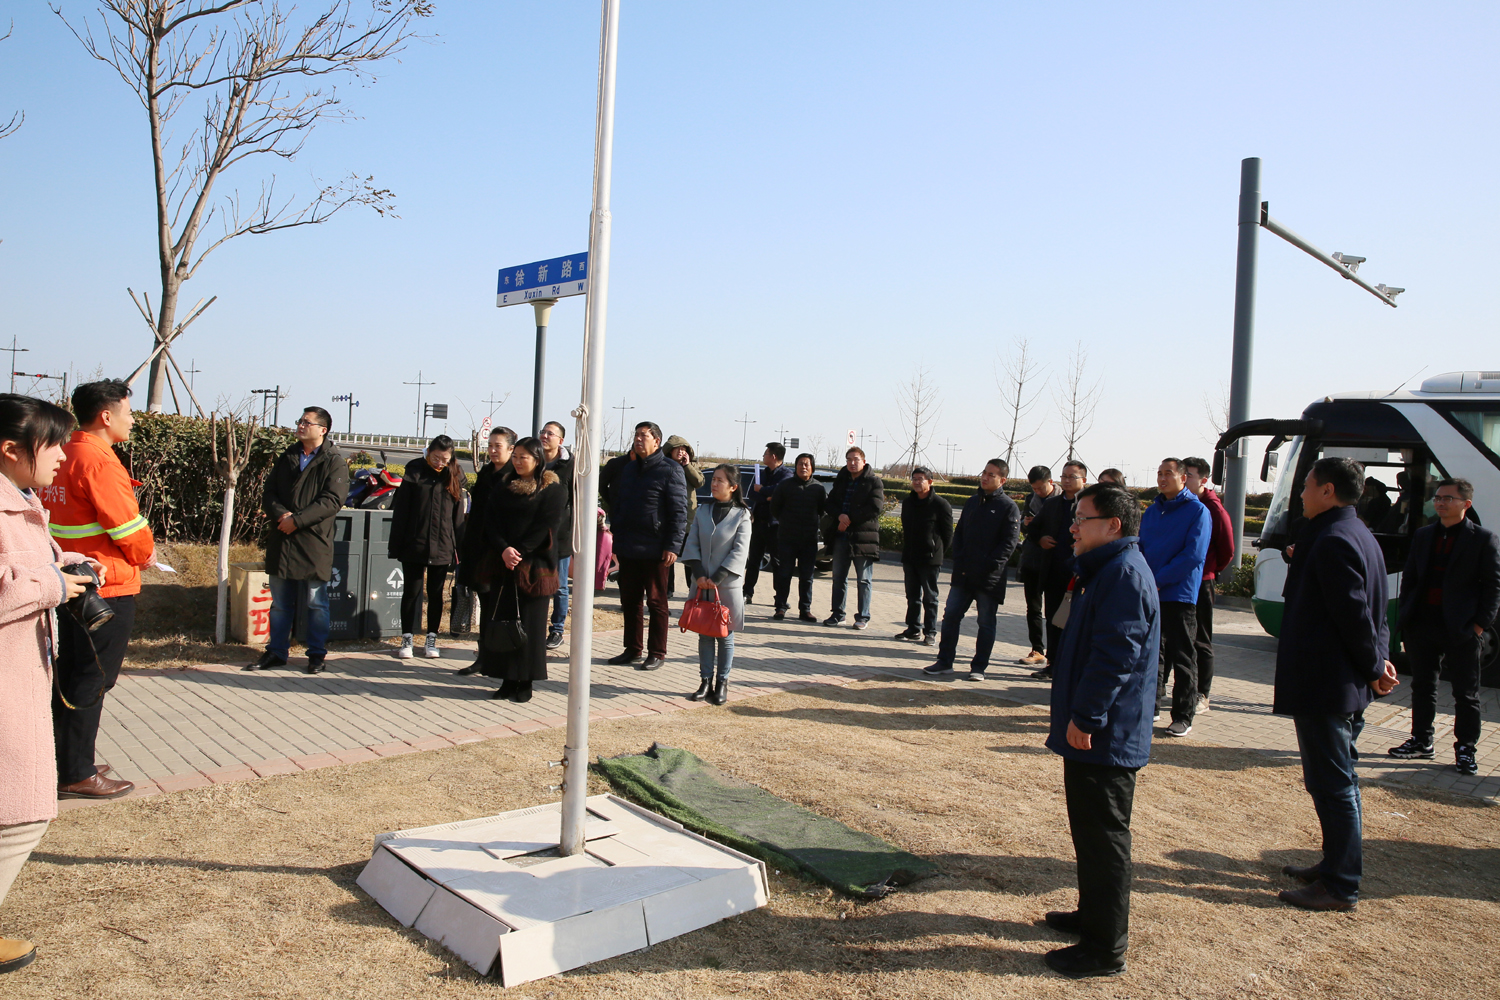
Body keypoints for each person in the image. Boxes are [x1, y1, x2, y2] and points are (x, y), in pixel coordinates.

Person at [1041, 483, 1159, 980]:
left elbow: (1115, 657)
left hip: (1107, 734)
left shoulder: (1124, 575)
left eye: (1081, 519)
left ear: (1113, 525)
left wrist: (1087, 718)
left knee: (1104, 838)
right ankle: (1091, 916)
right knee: (1089, 834)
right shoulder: (1104, 570)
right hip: (1097, 728)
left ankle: (1104, 948)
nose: (1072, 527)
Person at [1273, 457, 1398, 912]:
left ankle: (1341, 883)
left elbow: (1356, 616)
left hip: (1327, 683)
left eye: (1307, 485)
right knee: (1337, 778)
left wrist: (1374, 666)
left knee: (1333, 783)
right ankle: (1333, 863)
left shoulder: (1333, 539)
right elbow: (1375, 614)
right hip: (1341, 681)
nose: (1301, 493)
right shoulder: (1356, 532)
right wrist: (1379, 662)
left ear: (1328, 491)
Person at [0, 394, 97, 974]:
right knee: (21, 813)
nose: (62, 455)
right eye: (53, 443)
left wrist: (64, 565)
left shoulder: (21, 498)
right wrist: (53, 585)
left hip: (21, 675)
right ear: (11, 449)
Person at [41, 379, 154, 800]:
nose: (132, 420)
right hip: (106, 585)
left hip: (70, 580)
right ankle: (76, 772)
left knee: (72, 673)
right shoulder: (100, 461)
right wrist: (146, 555)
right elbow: (128, 530)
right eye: (128, 412)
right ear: (106, 416)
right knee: (93, 679)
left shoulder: (64, 450)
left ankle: (65, 757)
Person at [1389, 478, 1500, 776]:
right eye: (1437, 497)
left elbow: (1493, 586)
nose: (1440, 503)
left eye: (1448, 498)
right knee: (1423, 687)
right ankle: (1421, 741)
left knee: (1466, 694)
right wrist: (1407, 616)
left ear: (1466, 504)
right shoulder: (1424, 535)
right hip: (1422, 625)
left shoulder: (1483, 539)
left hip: (1461, 629)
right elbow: (1410, 578)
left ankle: (1466, 749)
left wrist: (1479, 626)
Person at [248, 406, 350, 675]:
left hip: (313, 540)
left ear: (322, 430)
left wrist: (298, 520)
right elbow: (269, 491)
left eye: (307, 422)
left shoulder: (333, 461)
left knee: (316, 603)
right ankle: (276, 652)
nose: (301, 426)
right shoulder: (289, 455)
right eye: (300, 421)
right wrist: (282, 515)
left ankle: (316, 655)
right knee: (280, 604)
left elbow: (332, 500)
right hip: (283, 537)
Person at [479, 437, 566, 703]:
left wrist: (518, 551)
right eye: (515, 456)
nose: (517, 461)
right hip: (503, 564)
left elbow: (546, 527)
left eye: (523, 457)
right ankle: (506, 679)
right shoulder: (504, 484)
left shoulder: (552, 489)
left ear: (537, 460)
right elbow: (489, 520)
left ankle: (525, 680)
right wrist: (504, 549)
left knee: (530, 625)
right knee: (504, 622)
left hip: (535, 567)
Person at [923, 460, 1019, 679]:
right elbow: (960, 534)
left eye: (991, 475)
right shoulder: (973, 502)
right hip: (964, 573)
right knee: (950, 616)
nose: (985, 477)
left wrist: (988, 565)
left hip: (989, 577)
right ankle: (944, 661)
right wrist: (959, 558)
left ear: (1002, 480)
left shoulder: (1008, 506)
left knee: (985, 622)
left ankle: (978, 667)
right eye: (984, 472)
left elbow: (1009, 543)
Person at [606, 421, 688, 670]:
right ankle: (632, 649)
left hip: (656, 548)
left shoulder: (671, 470)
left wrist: (673, 546)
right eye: (636, 435)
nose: (638, 439)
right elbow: (620, 504)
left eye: (644, 435)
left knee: (656, 601)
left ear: (657, 441)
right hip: (628, 546)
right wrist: (616, 536)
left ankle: (657, 652)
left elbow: (679, 512)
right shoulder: (630, 469)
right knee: (630, 601)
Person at [1138, 458, 1210, 737]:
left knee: (1182, 655)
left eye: (1168, 473)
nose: (1162, 478)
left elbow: (1193, 555)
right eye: (1159, 473)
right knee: (1151, 654)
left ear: (1183, 477)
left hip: (1178, 594)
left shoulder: (1197, 511)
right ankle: (1150, 707)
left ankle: (1183, 715)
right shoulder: (1152, 511)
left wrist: (1160, 580)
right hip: (1150, 591)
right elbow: (1141, 547)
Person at [388, 435, 466, 660]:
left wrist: (459, 548)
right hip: (415, 543)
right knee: (411, 592)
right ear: (428, 452)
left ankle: (431, 638)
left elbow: (458, 517)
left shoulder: (455, 475)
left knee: (435, 593)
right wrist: (396, 545)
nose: (439, 463)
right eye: (436, 458)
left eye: (444, 459)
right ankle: (407, 639)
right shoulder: (414, 471)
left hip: (442, 544)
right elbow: (401, 512)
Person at [681, 464, 753, 705]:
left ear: (733, 487)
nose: (714, 483)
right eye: (713, 479)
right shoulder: (703, 510)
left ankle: (722, 682)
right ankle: (705, 681)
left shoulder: (742, 515)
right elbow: (692, 544)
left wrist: (718, 577)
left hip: (726, 584)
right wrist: (700, 574)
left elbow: (740, 551)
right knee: (704, 633)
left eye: (720, 480)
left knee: (725, 635)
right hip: (701, 583)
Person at [454, 426, 515, 676]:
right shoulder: (486, 472)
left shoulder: (515, 477)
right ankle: (484, 657)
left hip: (501, 552)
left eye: (497, 446)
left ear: (511, 449)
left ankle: (501, 660)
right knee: (485, 603)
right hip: (479, 550)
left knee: (500, 608)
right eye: (490, 445)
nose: (492, 450)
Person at [1182, 457, 1235, 712]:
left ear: (1204, 480)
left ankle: (1203, 693)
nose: (1184, 480)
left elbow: (1227, 550)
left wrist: (1210, 569)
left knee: (1200, 639)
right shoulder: (1180, 504)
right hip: (1180, 581)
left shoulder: (1214, 509)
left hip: (1202, 581)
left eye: (1189, 476)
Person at [1033, 461, 1088, 680]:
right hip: (1054, 571)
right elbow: (1033, 528)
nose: (1066, 480)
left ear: (1084, 480)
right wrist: (1041, 539)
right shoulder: (1052, 503)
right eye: (1063, 476)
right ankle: (1053, 664)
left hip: (1081, 573)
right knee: (1053, 619)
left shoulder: (1089, 504)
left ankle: (1072, 667)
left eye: (1071, 477)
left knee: (1077, 622)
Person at [822, 446, 884, 629]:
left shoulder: (874, 482)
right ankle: (838, 614)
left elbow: (875, 508)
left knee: (864, 580)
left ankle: (863, 616)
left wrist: (848, 520)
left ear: (863, 461)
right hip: (841, 536)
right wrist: (839, 516)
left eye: (856, 459)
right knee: (838, 577)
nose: (852, 463)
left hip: (864, 538)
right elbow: (829, 503)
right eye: (849, 459)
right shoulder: (842, 480)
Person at [896, 467, 953, 645]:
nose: (916, 482)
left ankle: (930, 632)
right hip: (910, 557)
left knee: (930, 597)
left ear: (930, 481)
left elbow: (948, 535)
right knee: (912, 596)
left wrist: (936, 551)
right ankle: (913, 629)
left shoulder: (940, 504)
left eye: (920, 479)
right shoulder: (908, 503)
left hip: (930, 559)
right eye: (914, 479)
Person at [770, 452, 825, 622]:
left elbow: (822, 511)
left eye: (807, 464)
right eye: (800, 464)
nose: (803, 467)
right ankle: (780, 607)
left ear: (812, 467)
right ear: (795, 466)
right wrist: (786, 522)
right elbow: (775, 508)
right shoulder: (785, 485)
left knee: (807, 576)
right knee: (784, 574)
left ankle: (805, 610)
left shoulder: (818, 488)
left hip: (809, 540)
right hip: (787, 538)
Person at [744, 442, 794, 605]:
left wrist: (762, 490)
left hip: (775, 525)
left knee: (777, 562)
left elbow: (779, 491)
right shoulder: (762, 473)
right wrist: (767, 496)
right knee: (753, 560)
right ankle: (747, 592)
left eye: (765, 454)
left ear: (773, 456)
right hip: (758, 522)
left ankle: (780, 597)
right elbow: (752, 493)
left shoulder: (786, 475)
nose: (763, 456)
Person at [1017, 465, 1058, 666]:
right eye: (1034, 488)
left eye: (1041, 488)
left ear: (1051, 482)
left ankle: (1055, 653)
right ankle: (1037, 649)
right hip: (1033, 559)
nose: (1038, 492)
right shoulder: (1030, 499)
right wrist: (1026, 525)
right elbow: (1025, 529)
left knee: (1053, 611)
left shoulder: (1062, 500)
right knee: (1033, 607)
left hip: (1054, 562)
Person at [539, 421, 575, 649]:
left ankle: (557, 630)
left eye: (550, 433)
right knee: (537, 582)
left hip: (560, 535)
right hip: (535, 535)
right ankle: (534, 626)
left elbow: (576, 499)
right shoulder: (534, 460)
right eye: (543, 432)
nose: (544, 436)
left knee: (559, 586)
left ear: (560, 440)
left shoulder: (570, 465)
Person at [664, 435, 704, 594]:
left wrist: (687, 466)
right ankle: (668, 589)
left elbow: (699, 482)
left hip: (689, 518)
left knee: (690, 556)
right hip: (669, 517)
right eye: (678, 449)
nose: (681, 452)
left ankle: (692, 589)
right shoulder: (664, 464)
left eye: (683, 449)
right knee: (668, 556)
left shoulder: (691, 465)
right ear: (670, 451)